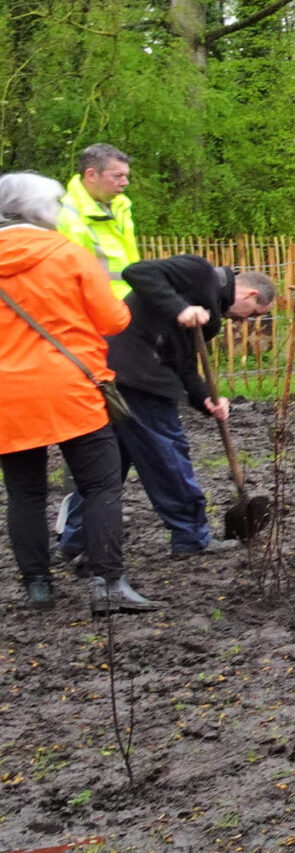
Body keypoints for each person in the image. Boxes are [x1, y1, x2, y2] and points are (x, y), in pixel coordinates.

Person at [56, 255, 277, 563]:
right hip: (136, 375)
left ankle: (76, 539)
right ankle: (191, 536)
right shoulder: (200, 273)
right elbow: (138, 272)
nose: (245, 322)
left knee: (106, 466)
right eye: (253, 314)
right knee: (168, 455)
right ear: (250, 295)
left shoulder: (209, 318)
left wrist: (205, 400)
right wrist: (181, 309)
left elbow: (183, 364)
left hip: (122, 373)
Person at [0, 172, 151, 613]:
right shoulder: (70, 255)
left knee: (23, 492)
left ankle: (37, 586)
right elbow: (113, 322)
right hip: (72, 387)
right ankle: (108, 584)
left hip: (7, 395)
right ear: (41, 209)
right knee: (100, 484)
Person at [56, 144, 136, 289]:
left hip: (129, 301)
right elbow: (68, 279)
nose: (125, 182)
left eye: (126, 176)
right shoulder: (67, 216)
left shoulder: (121, 206)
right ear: (91, 175)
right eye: (118, 176)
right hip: (99, 306)